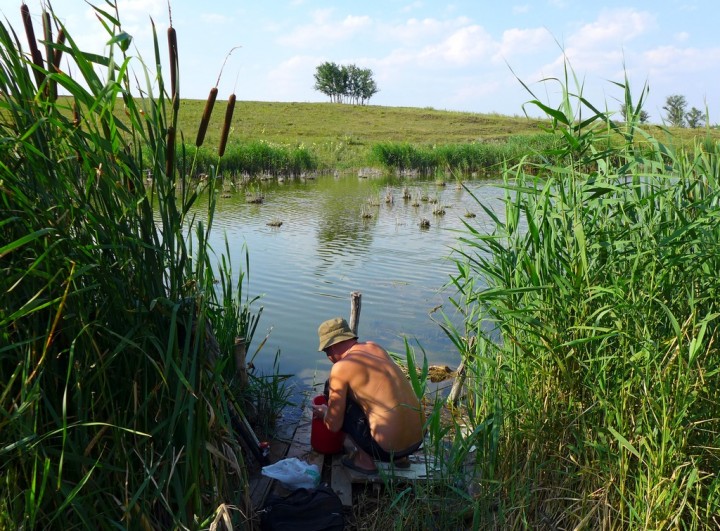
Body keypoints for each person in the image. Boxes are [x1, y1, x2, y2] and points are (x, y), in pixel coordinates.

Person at [312, 317, 424, 474]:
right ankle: (401, 459)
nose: (328, 356)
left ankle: (365, 461)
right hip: (418, 441)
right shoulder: (374, 347)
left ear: (332, 346)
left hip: (385, 450)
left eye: (326, 351)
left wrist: (325, 412)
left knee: (330, 391)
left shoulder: (341, 367)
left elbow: (334, 424)